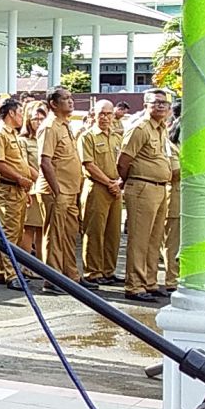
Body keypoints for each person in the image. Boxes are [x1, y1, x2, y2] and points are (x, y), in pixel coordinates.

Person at [34, 87, 95, 293]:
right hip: (56, 190)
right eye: (65, 99)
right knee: (55, 235)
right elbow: (45, 161)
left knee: (69, 234)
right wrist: (57, 189)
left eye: (71, 98)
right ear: (53, 103)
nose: (71, 102)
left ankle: (71, 275)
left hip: (70, 190)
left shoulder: (65, 125)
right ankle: (53, 278)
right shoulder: (50, 126)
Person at [117, 88, 173, 303]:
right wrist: (129, 181)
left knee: (154, 238)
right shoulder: (140, 128)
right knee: (139, 239)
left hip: (159, 187)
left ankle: (149, 281)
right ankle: (135, 284)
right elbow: (123, 161)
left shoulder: (161, 129)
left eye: (164, 103)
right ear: (145, 105)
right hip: (142, 186)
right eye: (155, 102)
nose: (160, 106)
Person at [0, 98, 35, 289]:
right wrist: (19, 178)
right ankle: (11, 274)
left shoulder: (12, 134)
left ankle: (2, 271)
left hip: (18, 190)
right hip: (7, 188)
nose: (22, 117)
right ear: (11, 114)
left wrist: (25, 184)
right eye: (20, 112)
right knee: (8, 233)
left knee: (15, 232)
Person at [78, 99, 122, 285]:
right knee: (94, 231)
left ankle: (108, 270)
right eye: (101, 114)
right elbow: (88, 164)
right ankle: (93, 272)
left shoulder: (117, 137)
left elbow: (124, 163)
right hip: (97, 187)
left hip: (115, 189)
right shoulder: (87, 137)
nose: (105, 118)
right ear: (93, 115)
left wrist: (119, 183)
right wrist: (108, 182)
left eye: (108, 114)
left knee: (113, 232)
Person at [20, 101, 48, 263]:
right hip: (32, 188)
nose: (39, 122)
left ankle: (41, 264)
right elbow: (24, 164)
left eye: (42, 118)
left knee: (43, 228)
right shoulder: (23, 140)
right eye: (35, 119)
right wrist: (43, 179)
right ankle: (27, 265)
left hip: (48, 189)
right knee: (29, 228)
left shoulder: (46, 138)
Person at [162, 101, 182, 293]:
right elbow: (174, 172)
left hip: (185, 198)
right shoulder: (170, 146)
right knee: (172, 242)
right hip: (174, 197)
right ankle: (171, 279)